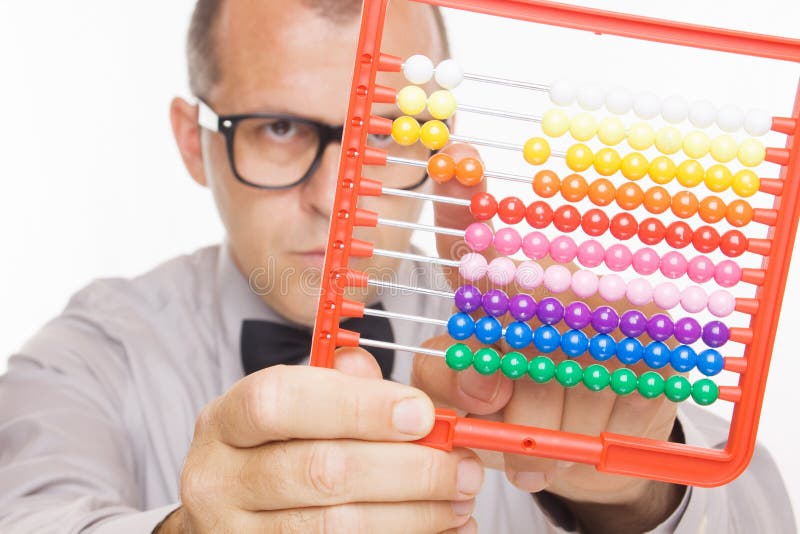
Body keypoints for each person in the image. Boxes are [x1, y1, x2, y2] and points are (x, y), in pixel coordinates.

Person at [0, 0, 795, 532]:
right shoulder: (91, 355)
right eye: (280, 127)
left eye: (384, 132)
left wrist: (633, 494)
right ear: (192, 140)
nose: (333, 198)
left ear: (437, 138)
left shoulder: (540, 339)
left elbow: (757, 506)